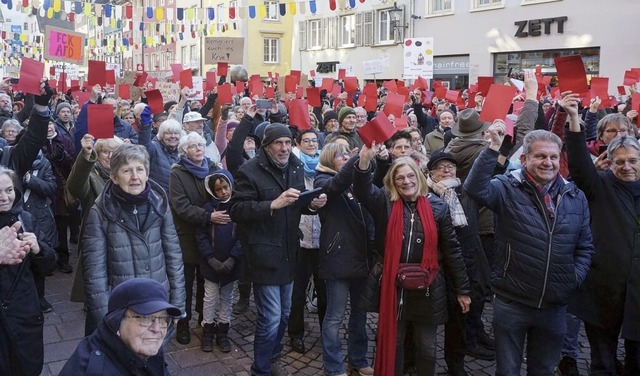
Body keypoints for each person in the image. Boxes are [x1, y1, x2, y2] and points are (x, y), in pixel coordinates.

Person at [464, 127, 595, 375]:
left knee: (543, 369)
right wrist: (493, 148)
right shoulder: (506, 187)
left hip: (554, 305)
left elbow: (585, 245)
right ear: (524, 159)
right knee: (508, 369)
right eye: (540, 156)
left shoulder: (575, 196)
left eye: (553, 157)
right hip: (512, 301)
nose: (548, 162)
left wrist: (572, 277)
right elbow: (475, 189)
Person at [353, 148, 470, 376]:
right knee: (393, 344)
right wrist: (365, 160)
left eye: (410, 176)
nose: (406, 181)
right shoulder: (383, 202)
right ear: (393, 182)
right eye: (400, 178)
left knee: (427, 349)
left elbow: (452, 250)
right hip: (392, 286)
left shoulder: (438, 207)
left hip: (429, 287)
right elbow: (362, 190)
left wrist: (462, 290)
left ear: (419, 177)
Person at [229, 124, 327, 376]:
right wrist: (272, 204)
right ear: (266, 146)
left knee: (284, 314)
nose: (284, 148)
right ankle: (260, 369)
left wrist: (312, 204)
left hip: (289, 250)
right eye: (278, 143)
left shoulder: (294, 165)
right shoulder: (248, 171)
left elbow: (296, 202)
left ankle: (273, 355)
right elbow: (237, 210)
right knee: (270, 317)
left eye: (287, 142)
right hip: (263, 254)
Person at [563, 92, 640, 375]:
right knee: (603, 361)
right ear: (610, 162)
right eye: (619, 161)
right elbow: (580, 165)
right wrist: (574, 118)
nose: (626, 166)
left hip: (638, 291)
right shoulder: (600, 185)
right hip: (602, 289)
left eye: (632, 160)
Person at [80, 144, 186, 335]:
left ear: (147, 174)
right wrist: (107, 320)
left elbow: (173, 255)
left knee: (153, 359)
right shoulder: (101, 211)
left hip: (157, 302)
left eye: (140, 169)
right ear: (114, 177)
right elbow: (94, 273)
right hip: (122, 309)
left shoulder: (160, 205)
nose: (135, 177)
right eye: (127, 171)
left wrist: (177, 303)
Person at [426, 150, 494, 374]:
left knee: (461, 320)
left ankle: (456, 365)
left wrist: (494, 146)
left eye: (450, 166)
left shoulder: (467, 191)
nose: (447, 170)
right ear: (431, 173)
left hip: (468, 263)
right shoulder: (425, 195)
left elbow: (487, 171)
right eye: (441, 166)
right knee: (430, 318)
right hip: (438, 266)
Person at [314, 142, 374, 376]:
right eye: (340, 155)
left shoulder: (356, 179)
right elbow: (335, 185)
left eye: (346, 153)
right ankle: (334, 366)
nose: (344, 157)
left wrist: (373, 159)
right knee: (334, 317)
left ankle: (358, 360)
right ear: (330, 158)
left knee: (360, 315)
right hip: (338, 257)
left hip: (362, 256)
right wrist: (357, 158)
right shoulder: (322, 180)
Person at [60, 278, 182, 376]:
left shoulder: (139, 346)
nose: (157, 329)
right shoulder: (93, 370)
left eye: (163, 319)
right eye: (145, 318)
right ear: (116, 321)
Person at [0, 167, 56, 376]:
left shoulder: (26, 219)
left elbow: (48, 267)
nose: (4, 197)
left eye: (8, 190)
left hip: (24, 312)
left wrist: (39, 249)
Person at [168, 132, 220, 344]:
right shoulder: (178, 173)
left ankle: (203, 317)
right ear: (184, 151)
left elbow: (224, 195)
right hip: (187, 235)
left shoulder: (214, 169)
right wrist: (208, 215)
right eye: (193, 146)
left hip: (210, 235)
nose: (199, 149)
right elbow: (180, 206)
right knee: (185, 282)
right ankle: (183, 322)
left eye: (201, 145)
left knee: (205, 279)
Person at [67, 135, 123, 304]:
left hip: (122, 241)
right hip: (98, 239)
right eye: (105, 151)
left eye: (115, 152)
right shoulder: (91, 175)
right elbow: (75, 187)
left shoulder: (126, 175)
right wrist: (85, 155)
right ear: (98, 154)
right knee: (96, 293)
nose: (110, 156)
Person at [288, 129, 326, 355]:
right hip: (299, 233)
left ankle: (327, 332)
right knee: (297, 290)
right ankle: (296, 333)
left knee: (324, 289)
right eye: (307, 141)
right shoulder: (294, 167)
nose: (311, 144)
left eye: (314, 140)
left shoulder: (325, 164)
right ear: (298, 144)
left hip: (322, 234)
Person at [195, 170, 242, 353]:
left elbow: (242, 236)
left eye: (225, 187)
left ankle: (223, 331)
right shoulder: (208, 209)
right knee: (210, 298)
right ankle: (208, 330)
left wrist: (233, 258)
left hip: (231, 263)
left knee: (227, 297)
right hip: (211, 264)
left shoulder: (237, 207)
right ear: (212, 191)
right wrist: (210, 258)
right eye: (218, 189)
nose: (223, 192)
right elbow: (201, 236)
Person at [43, 119, 76, 273]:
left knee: (62, 226)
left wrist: (62, 157)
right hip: (43, 191)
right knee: (46, 226)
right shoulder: (37, 141)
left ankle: (63, 259)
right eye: (45, 125)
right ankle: (48, 259)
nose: (48, 127)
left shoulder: (65, 140)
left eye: (50, 124)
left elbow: (72, 164)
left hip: (61, 190)